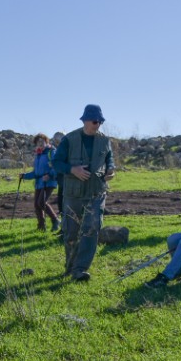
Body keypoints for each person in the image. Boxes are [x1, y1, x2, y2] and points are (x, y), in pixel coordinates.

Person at [52, 104, 116, 282]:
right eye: (95, 121)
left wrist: (111, 169)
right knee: (71, 232)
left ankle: (80, 269)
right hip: (73, 195)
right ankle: (70, 266)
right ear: (85, 121)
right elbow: (56, 162)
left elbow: (109, 159)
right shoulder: (69, 139)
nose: (98, 125)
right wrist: (72, 169)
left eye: (101, 121)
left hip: (97, 192)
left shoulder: (105, 140)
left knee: (92, 229)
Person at [22, 133, 60, 232]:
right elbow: (36, 172)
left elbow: (56, 166)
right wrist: (24, 176)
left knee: (41, 202)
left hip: (49, 182)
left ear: (46, 141)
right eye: (38, 142)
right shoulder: (38, 155)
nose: (40, 143)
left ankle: (55, 220)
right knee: (36, 204)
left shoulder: (51, 152)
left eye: (42, 141)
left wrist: (50, 175)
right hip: (39, 182)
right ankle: (41, 227)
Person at [51, 131, 66, 234]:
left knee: (66, 206)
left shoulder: (68, 149)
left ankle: (67, 229)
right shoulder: (57, 151)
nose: (57, 142)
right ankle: (64, 228)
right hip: (61, 182)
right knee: (61, 205)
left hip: (68, 182)